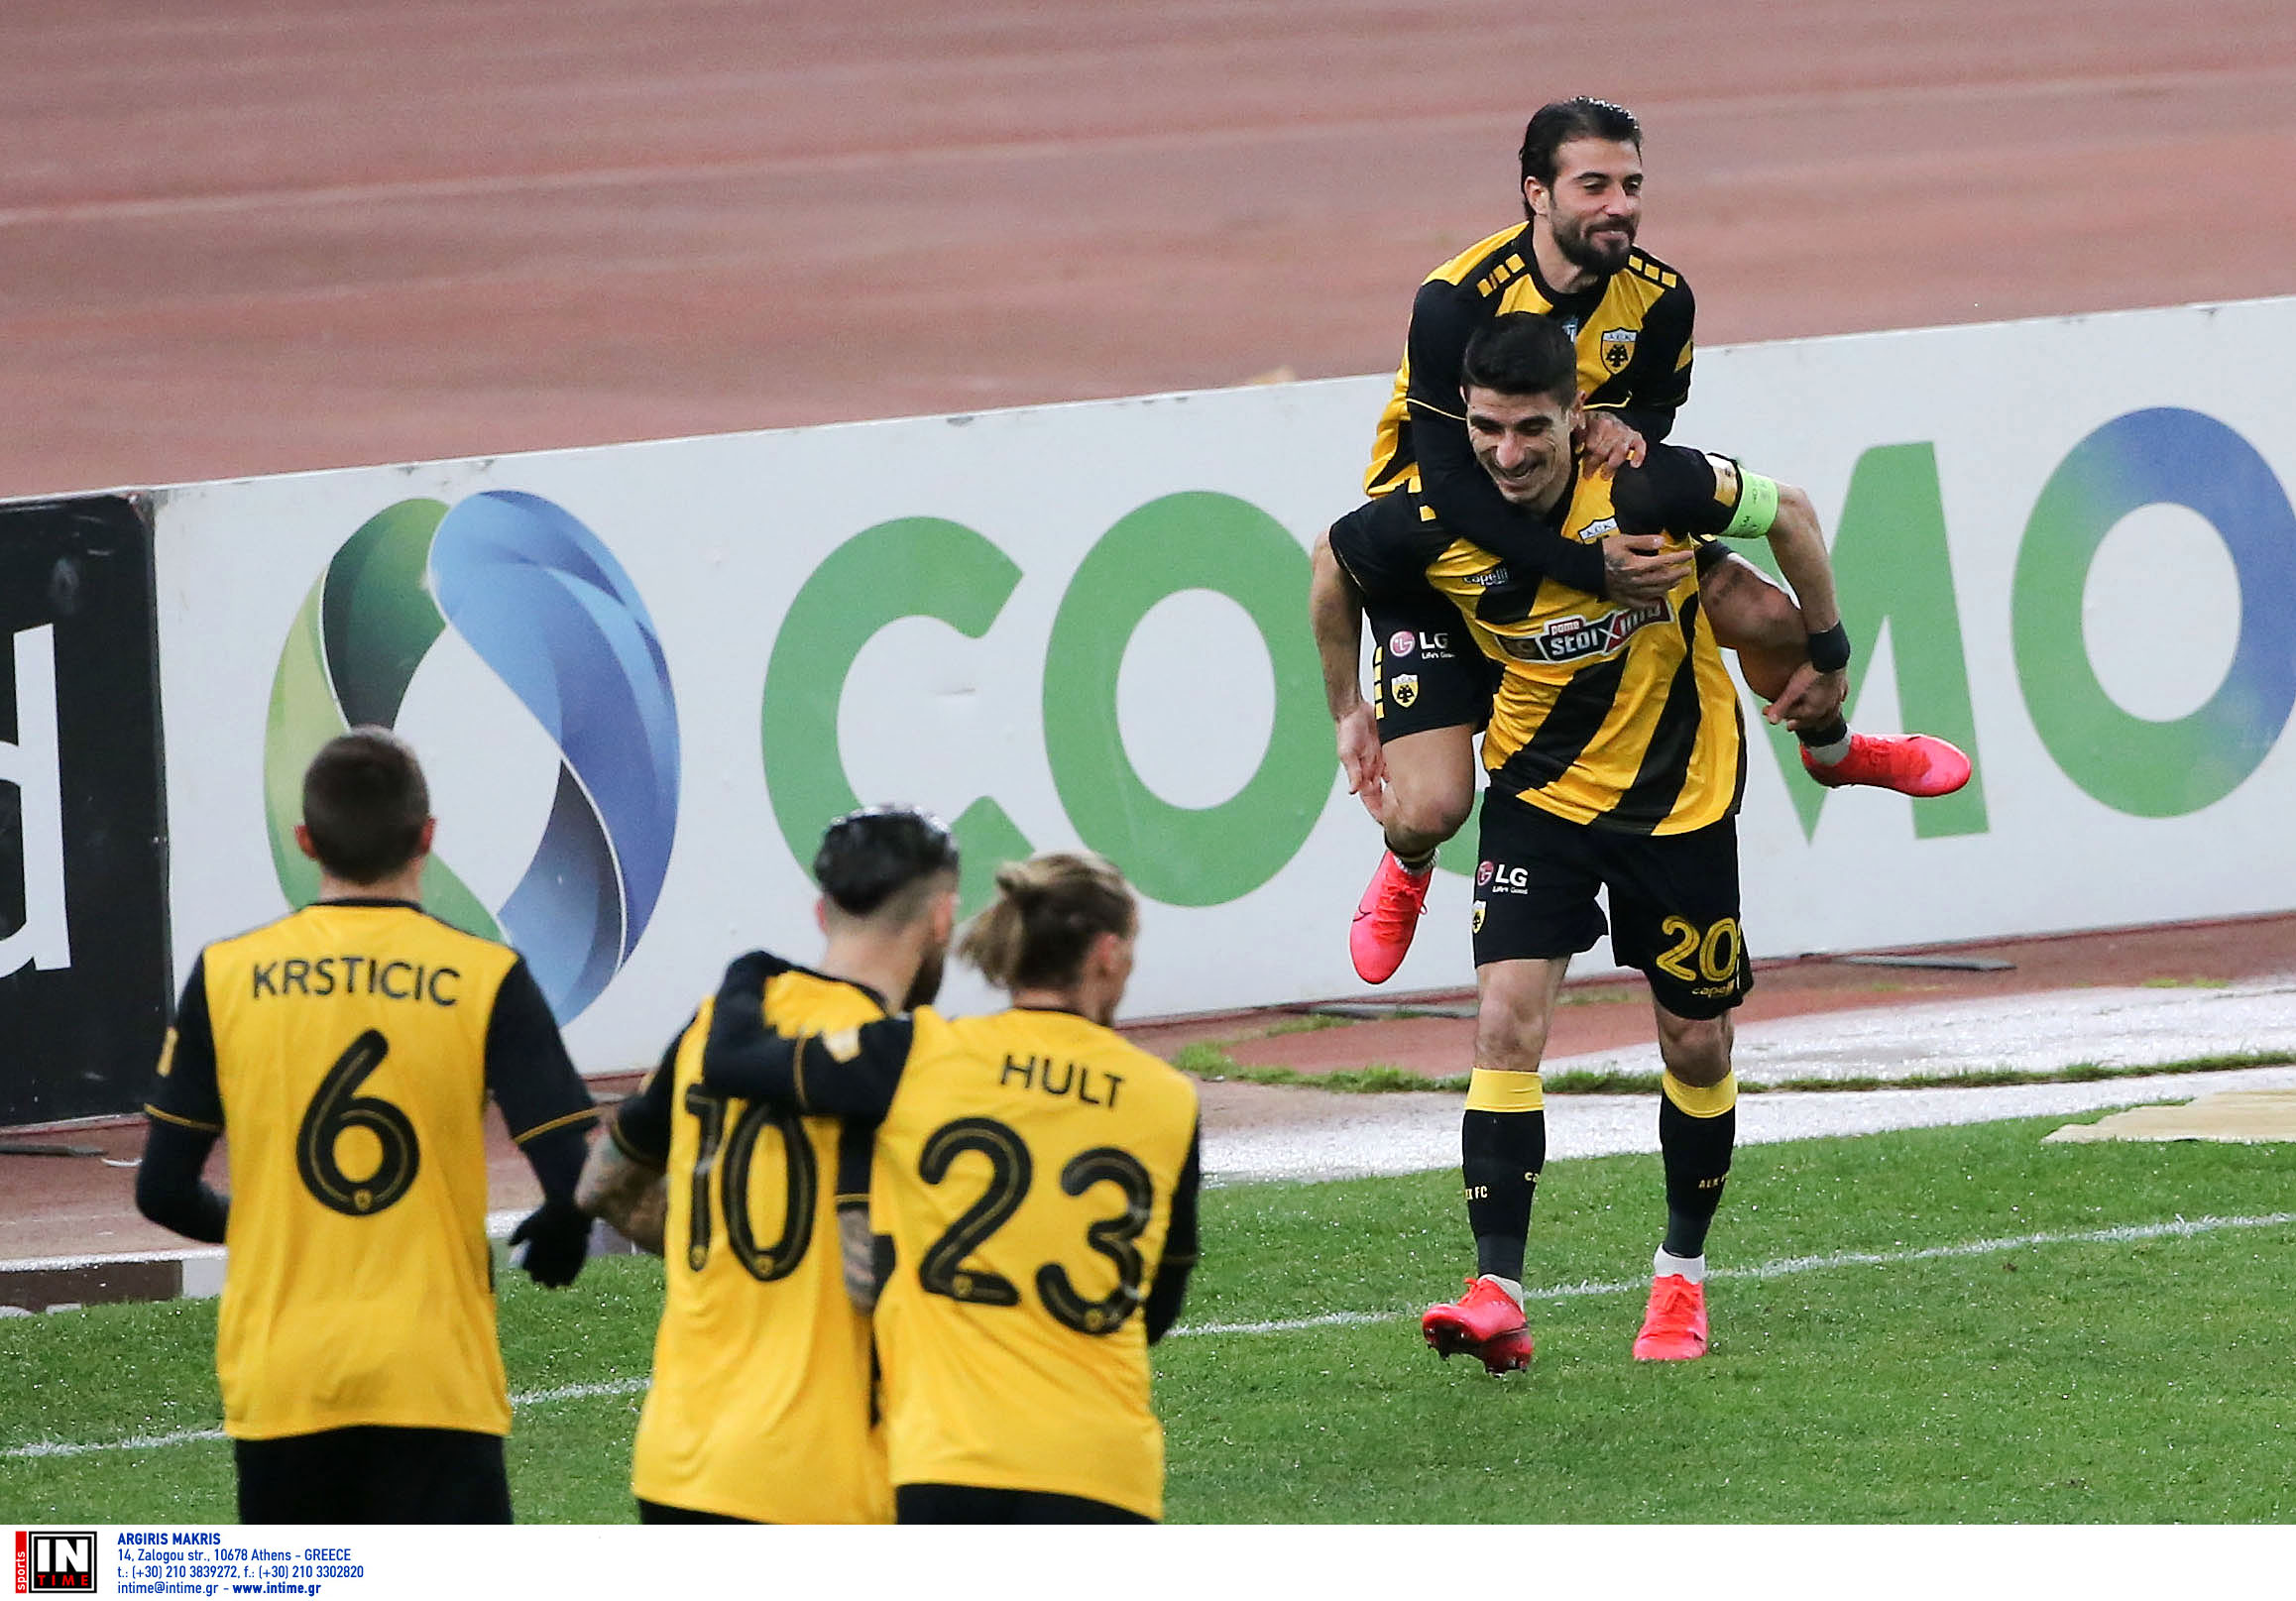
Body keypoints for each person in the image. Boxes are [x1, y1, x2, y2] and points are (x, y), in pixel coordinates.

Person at [1313, 311, 1871, 1372]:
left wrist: (1831, 651)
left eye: (1531, 428)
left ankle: (1680, 1274)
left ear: (1578, 417)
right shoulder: (1438, 514)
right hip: (1539, 798)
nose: (1507, 453)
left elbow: (1791, 510)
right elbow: (1334, 561)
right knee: (1503, 1025)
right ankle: (1497, 1291)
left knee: (1696, 1045)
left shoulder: (1649, 487)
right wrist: (1348, 710)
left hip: (1678, 803)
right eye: (1487, 428)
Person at [1344, 96, 1969, 984]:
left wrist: (1621, 437)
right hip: (1451, 553)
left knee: (1770, 617)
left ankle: (1833, 752)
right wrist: (1588, 568)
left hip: (1575, 519)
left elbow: (1651, 416)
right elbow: (1449, 484)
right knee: (1436, 805)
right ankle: (1407, 863)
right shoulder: (1456, 301)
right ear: (1536, 193)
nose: (1620, 206)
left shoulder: (1662, 298)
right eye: (1593, 185)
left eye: (1632, 185)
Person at [134, 728, 596, 1522]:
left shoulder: (226, 974)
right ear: (427, 836)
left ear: (306, 841)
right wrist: (566, 1224)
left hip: (284, 1385)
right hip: (437, 1380)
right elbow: (574, 1177)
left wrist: (269, 1223)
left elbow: (163, 1189)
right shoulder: (487, 976)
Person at [698, 852, 1201, 1525]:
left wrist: (748, 973)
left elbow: (733, 1062)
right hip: (1100, 1464)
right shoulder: (1168, 1099)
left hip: (947, 1459)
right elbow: (1158, 1306)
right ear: (1106, 954)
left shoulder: (917, 1054)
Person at [574, 805, 962, 1524]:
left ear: (821, 912)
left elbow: (602, 1183)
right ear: (941, 919)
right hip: (819, 1479)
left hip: (679, 1465)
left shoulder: (714, 1023)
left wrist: (711, 1232)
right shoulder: (910, 1060)